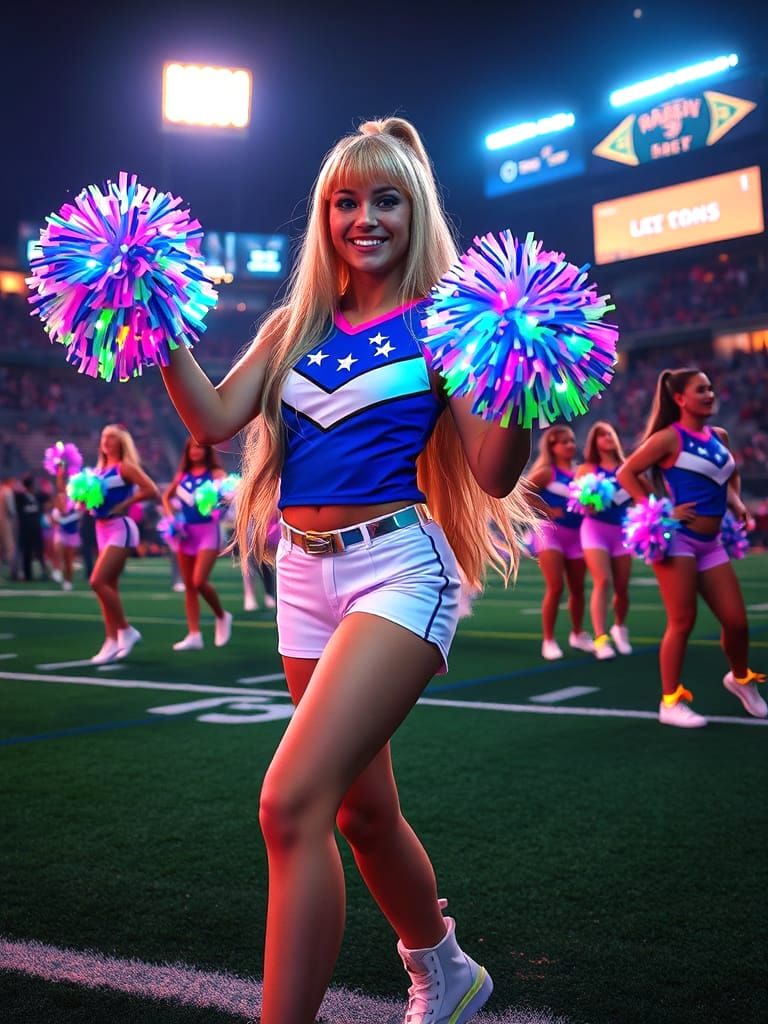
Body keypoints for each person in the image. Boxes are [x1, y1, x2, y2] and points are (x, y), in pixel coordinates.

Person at [159, 117, 534, 1024]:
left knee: (290, 803)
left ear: (417, 210)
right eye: (345, 202)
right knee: (362, 815)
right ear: (325, 216)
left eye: (386, 200)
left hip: (400, 571)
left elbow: (491, 472)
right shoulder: (296, 325)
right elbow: (211, 419)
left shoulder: (452, 321)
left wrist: (526, 367)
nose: (364, 218)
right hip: (301, 578)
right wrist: (150, 311)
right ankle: (444, 969)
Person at [617, 368, 766, 727]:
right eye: (702, 390)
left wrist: (736, 501)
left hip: (713, 543)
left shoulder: (719, 435)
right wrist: (658, 508)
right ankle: (670, 702)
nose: (710, 394)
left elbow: (728, 475)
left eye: (711, 388)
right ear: (680, 399)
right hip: (678, 540)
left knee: (737, 622)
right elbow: (626, 472)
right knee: (682, 621)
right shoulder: (668, 438)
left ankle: (740, 678)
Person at [87, 424, 160, 665]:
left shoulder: (124, 468)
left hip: (121, 527)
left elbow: (152, 490)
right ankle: (111, 639)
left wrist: (125, 503)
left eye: (112, 438)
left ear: (121, 443)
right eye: (103, 437)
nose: (106, 441)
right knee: (109, 586)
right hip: (101, 529)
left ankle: (126, 631)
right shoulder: (98, 471)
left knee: (97, 581)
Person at [526, 425, 595, 660]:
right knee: (556, 586)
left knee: (578, 589)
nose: (570, 445)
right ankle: (549, 640)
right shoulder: (546, 472)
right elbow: (522, 494)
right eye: (563, 441)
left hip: (577, 535)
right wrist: (546, 509)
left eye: (572, 440)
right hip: (550, 533)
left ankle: (578, 634)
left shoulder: (582, 473)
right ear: (552, 447)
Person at [161, 437, 232, 650]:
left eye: (199, 448)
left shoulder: (216, 475)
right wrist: (171, 517)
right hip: (185, 533)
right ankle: (194, 634)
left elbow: (229, 496)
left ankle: (222, 615)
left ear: (207, 451)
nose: (195, 451)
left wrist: (219, 508)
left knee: (199, 581)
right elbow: (166, 497)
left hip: (208, 532)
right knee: (190, 586)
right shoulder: (182, 475)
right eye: (192, 447)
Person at [575, 421, 633, 659]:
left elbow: (645, 494)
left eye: (610, 433)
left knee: (622, 586)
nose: (608, 438)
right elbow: (578, 502)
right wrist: (587, 502)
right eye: (602, 435)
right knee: (603, 581)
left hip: (622, 531)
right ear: (594, 442)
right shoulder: (587, 469)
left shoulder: (628, 467)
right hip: (595, 530)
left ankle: (619, 627)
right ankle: (601, 638)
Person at [51, 467, 81, 591]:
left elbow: (80, 512)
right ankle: (56, 569)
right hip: (61, 531)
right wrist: (59, 472)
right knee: (58, 549)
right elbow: (59, 510)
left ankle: (68, 581)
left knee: (69, 559)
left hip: (72, 532)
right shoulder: (61, 496)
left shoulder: (78, 498)